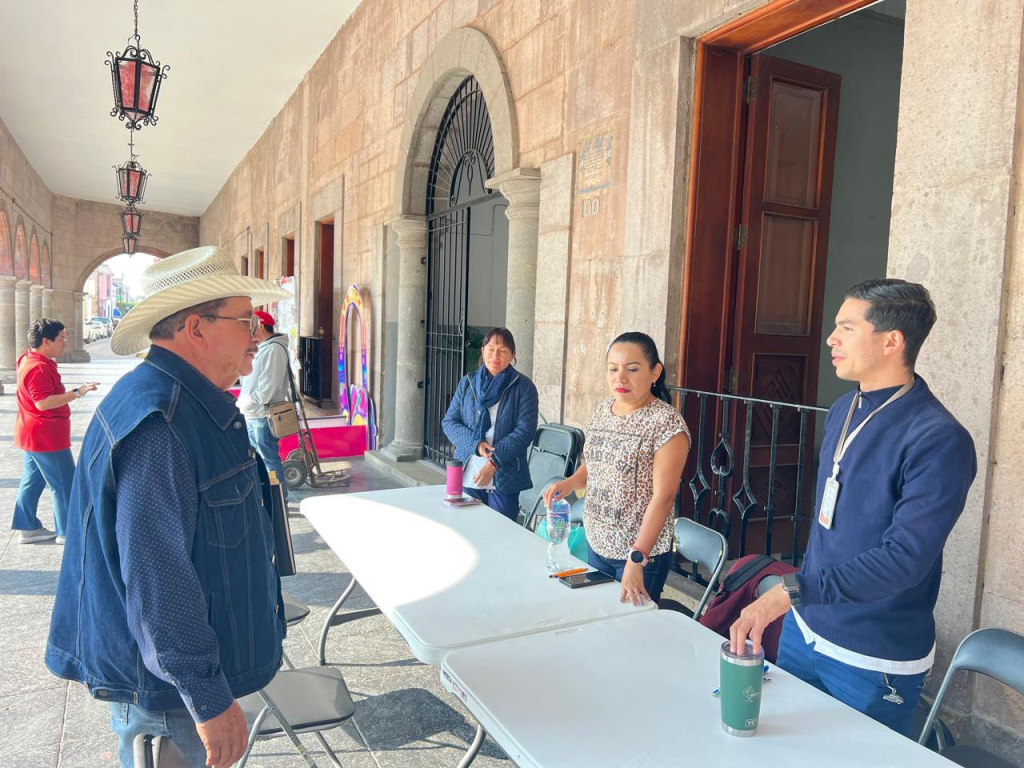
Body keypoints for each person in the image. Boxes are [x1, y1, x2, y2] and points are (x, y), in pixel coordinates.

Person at [46, 246, 290, 768]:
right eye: (244, 320)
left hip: (173, 688)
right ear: (196, 329)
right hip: (169, 699)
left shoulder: (183, 402)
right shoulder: (161, 422)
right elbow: (158, 580)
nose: (254, 334)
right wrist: (206, 695)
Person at [729, 279, 977, 738]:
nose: (831, 339)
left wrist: (793, 590)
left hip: (872, 654)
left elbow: (904, 559)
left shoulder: (939, 439)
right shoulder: (846, 406)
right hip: (807, 631)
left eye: (846, 327)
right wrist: (803, 601)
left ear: (891, 340)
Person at [543, 332, 689, 605]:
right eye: (613, 369)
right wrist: (572, 482)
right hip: (597, 542)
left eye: (632, 369)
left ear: (655, 372)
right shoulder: (603, 411)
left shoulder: (667, 424)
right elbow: (598, 462)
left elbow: (664, 497)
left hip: (638, 556)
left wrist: (638, 557)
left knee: (630, 634)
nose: (620, 378)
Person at [13, 319, 98, 545]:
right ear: (46, 342)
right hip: (46, 435)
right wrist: (77, 392)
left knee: (32, 481)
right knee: (63, 483)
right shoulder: (38, 367)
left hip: (31, 432)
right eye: (61, 338)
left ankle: (27, 527)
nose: (64, 342)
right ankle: (67, 532)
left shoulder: (28, 359)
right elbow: (43, 402)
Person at [442, 327, 538, 520]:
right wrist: (475, 445)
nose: (496, 355)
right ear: (483, 351)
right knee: (469, 527)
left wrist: (494, 461)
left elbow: (525, 431)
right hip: (470, 467)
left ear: (512, 355)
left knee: (501, 532)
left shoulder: (524, 387)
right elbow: (450, 422)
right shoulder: (467, 383)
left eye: (503, 350)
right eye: (491, 348)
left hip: (506, 470)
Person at [238, 309, 292, 500]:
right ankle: (267, 497)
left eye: (250, 326)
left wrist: (248, 400)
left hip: (262, 415)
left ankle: (279, 501)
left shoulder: (274, 349)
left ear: (260, 326)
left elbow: (268, 388)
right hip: (253, 414)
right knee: (258, 460)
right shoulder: (264, 348)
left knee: (269, 460)